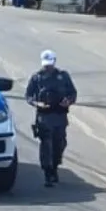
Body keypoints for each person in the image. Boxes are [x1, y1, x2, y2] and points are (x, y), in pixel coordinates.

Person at [25, 50, 77, 187]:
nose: (48, 67)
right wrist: (36, 103)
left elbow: (73, 93)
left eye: (50, 64)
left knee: (59, 144)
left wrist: (68, 100)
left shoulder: (63, 76)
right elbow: (29, 96)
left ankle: (54, 166)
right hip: (44, 116)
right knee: (46, 145)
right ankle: (48, 172)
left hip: (60, 116)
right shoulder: (37, 78)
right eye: (46, 65)